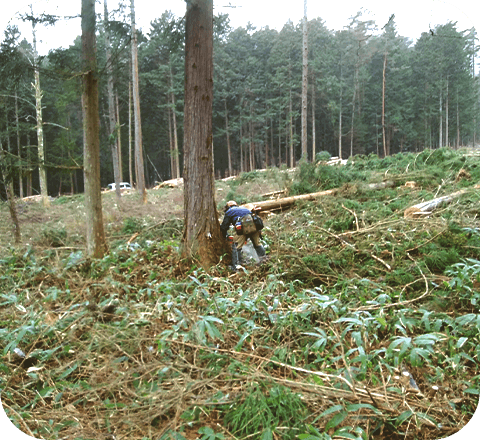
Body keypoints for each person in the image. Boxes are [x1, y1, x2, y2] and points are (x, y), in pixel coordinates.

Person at [220, 200, 267, 271]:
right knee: (257, 244)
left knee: (236, 247)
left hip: (242, 229)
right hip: (254, 227)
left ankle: (236, 266)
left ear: (228, 206)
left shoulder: (229, 211)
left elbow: (224, 227)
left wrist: (224, 235)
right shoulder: (245, 209)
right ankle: (264, 261)